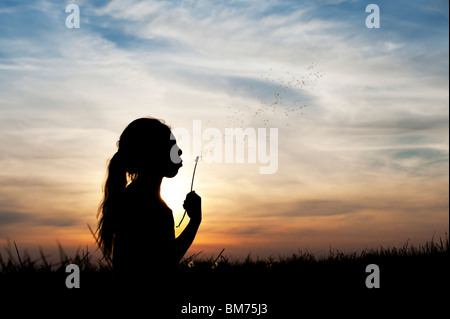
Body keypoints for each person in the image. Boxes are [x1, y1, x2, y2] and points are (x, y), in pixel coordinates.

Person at [96, 117, 202, 301]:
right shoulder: (152, 207)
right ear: (152, 153)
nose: (179, 150)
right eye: (171, 145)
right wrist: (195, 221)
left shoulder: (131, 197)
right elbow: (166, 262)